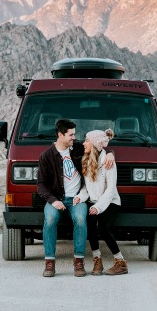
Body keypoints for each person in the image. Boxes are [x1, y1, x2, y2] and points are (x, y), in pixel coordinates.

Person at [36, 119, 115, 277]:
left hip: (77, 198)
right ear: (60, 135)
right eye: (71, 134)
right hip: (56, 198)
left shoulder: (77, 148)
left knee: (80, 218)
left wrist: (112, 153)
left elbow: (98, 147)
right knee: (50, 219)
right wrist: (53, 201)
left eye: (74, 134)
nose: (74, 137)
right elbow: (41, 185)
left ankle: (79, 261)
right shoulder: (46, 156)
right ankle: (50, 263)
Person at [73, 128, 128, 276]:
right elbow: (87, 187)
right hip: (95, 202)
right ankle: (97, 260)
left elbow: (110, 189)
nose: (84, 143)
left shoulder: (107, 161)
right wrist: (80, 196)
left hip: (110, 202)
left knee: (103, 228)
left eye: (87, 141)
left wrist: (98, 207)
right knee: (90, 225)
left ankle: (120, 262)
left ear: (95, 144)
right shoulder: (86, 159)